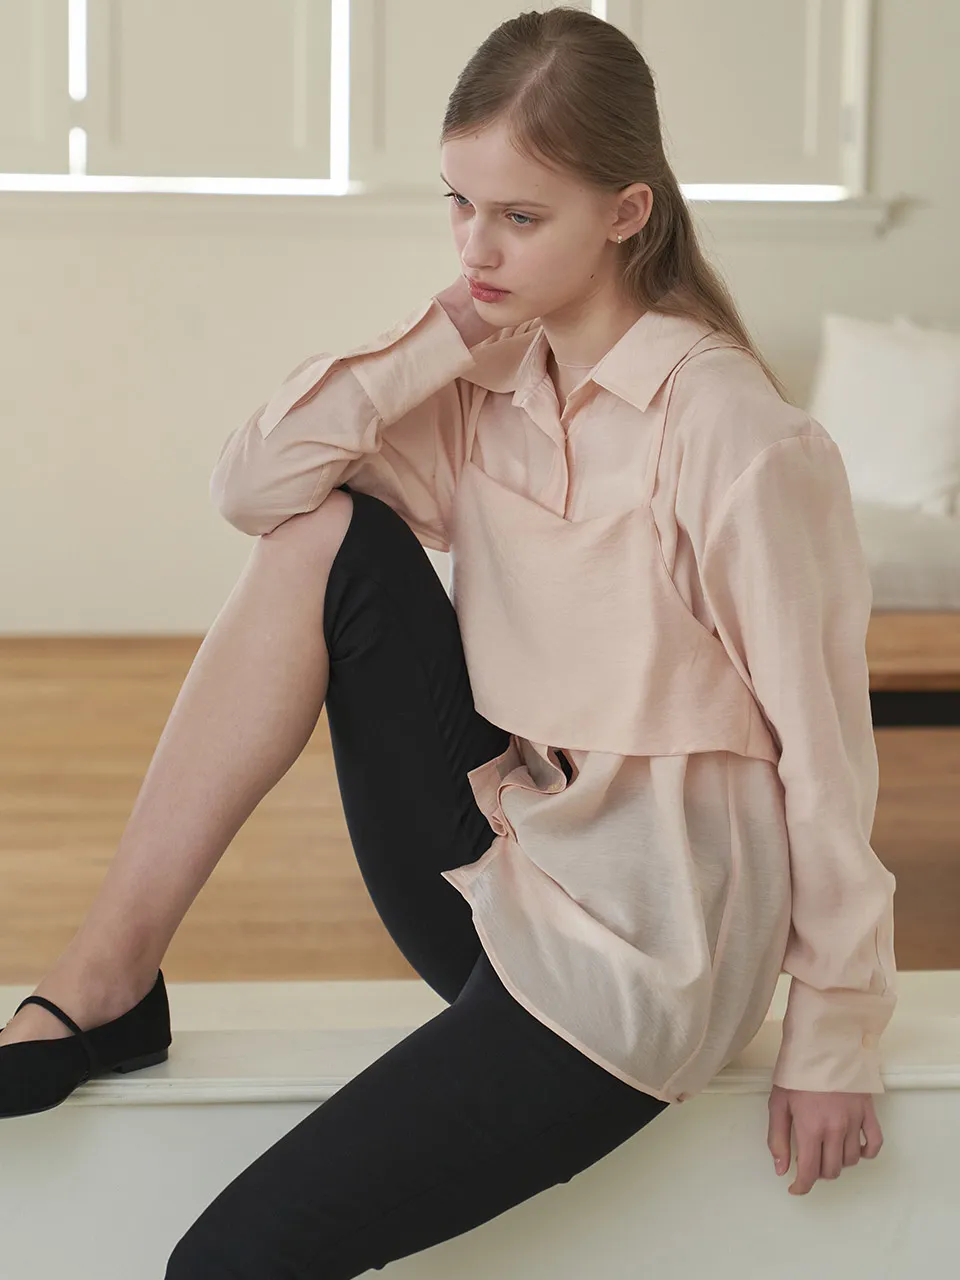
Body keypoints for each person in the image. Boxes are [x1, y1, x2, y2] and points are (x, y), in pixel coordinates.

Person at [1, 7, 896, 1275]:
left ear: (627, 211)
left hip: (647, 955)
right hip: (507, 872)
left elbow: (828, 751)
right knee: (324, 537)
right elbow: (258, 488)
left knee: (226, 1261)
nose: (477, 246)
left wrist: (835, 1028)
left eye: (520, 216)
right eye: (459, 204)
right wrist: (443, 334)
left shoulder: (736, 435)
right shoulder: (490, 387)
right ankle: (111, 977)